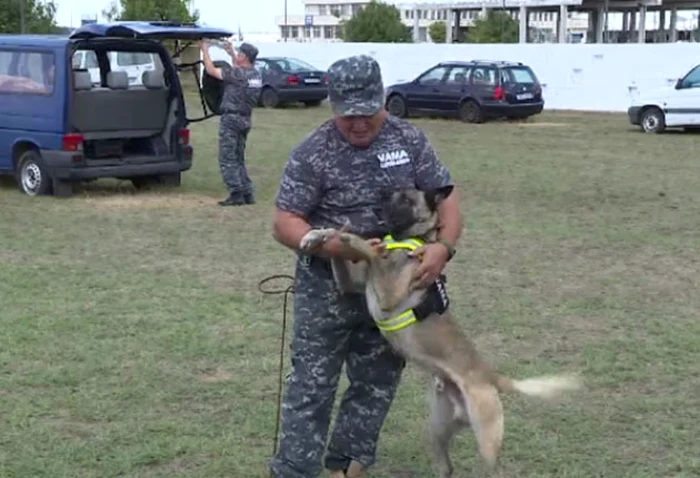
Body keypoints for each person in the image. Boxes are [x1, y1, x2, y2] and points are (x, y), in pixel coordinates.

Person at [269, 54, 463, 478]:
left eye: (367, 113)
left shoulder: (409, 140)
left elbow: (446, 197)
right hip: (328, 291)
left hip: (397, 293)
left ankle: (346, 467)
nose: (358, 123)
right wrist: (332, 246)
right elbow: (284, 222)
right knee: (311, 388)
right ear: (334, 105)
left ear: (382, 101)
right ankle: (294, 471)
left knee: (375, 383)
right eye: (347, 114)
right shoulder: (312, 152)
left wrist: (443, 247)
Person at [200, 40, 262, 206]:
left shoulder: (238, 74)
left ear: (244, 57)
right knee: (238, 157)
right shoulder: (255, 75)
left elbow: (211, 70)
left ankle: (236, 193)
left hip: (231, 119)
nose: (238, 56)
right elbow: (239, 67)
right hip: (245, 119)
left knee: (227, 157)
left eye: (240, 54)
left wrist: (204, 50)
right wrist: (231, 52)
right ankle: (247, 192)